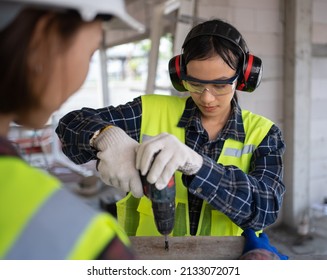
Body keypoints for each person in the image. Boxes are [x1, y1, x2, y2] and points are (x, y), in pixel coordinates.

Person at [56, 19, 286, 241]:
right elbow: (71, 123)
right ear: (180, 76)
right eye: (195, 83)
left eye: (220, 85)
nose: (207, 97)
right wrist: (104, 136)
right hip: (150, 258)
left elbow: (266, 208)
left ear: (243, 78)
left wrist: (199, 166)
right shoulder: (149, 110)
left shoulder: (264, 133)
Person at [0, 0, 145, 260]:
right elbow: (73, 123)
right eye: (90, 54)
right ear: (41, 39)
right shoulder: (85, 242)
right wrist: (103, 135)